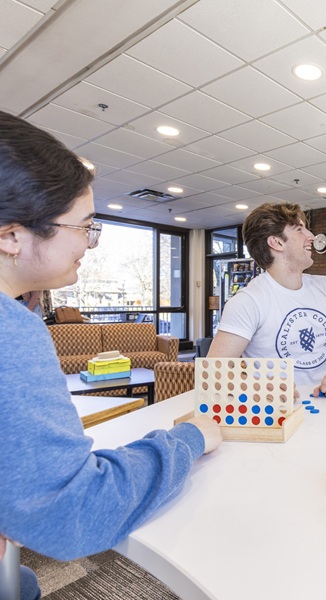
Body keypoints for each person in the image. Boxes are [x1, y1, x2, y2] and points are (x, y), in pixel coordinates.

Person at [0, 110, 222, 598]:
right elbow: (74, 511)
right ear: (12, 236)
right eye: (83, 227)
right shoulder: (10, 334)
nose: (90, 243)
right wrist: (186, 439)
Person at [208, 202, 326, 398]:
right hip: (278, 412)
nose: (311, 236)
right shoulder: (247, 302)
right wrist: (256, 389)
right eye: (300, 230)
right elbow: (215, 371)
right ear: (277, 243)